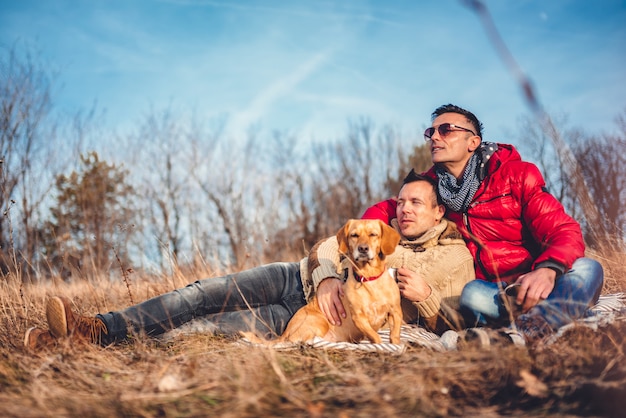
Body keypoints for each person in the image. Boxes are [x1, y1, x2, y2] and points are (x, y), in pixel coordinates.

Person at [25, 173, 475, 350]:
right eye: (401, 202)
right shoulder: (372, 229)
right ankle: (100, 327)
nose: (405, 209)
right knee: (198, 294)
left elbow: (456, 314)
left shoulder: (453, 255)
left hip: (302, 318)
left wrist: (428, 298)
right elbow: (324, 247)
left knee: (206, 328)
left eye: (417, 203)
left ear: (440, 211)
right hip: (291, 278)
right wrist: (327, 279)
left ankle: (71, 343)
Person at [362, 103, 604, 346]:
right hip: (493, 296)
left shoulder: (517, 175)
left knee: (588, 269)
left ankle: (524, 330)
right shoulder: (431, 189)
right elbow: (386, 210)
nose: (434, 137)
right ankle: (551, 318)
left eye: (446, 130)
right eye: (431, 132)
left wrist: (547, 270)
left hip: (536, 281)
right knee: (471, 294)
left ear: (473, 142)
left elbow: (563, 230)